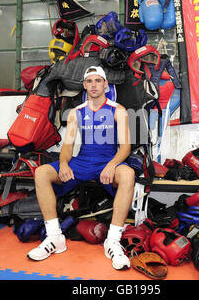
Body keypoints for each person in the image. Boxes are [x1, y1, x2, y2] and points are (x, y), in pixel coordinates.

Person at [27, 66, 135, 270]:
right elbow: (67, 146)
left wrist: (112, 165)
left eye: (98, 81)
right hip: (82, 162)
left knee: (128, 174)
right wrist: (65, 163)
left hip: (107, 161)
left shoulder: (118, 110)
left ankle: (112, 241)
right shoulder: (76, 113)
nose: (94, 85)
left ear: (105, 84)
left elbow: (125, 147)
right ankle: (55, 237)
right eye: (90, 81)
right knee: (42, 172)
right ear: (84, 85)